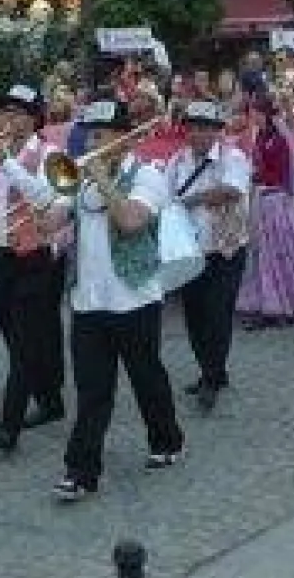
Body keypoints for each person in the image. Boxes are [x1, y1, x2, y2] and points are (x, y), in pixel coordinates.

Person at [18, 98, 183, 501]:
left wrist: (103, 180)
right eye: (90, 135)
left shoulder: (148, 176)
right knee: (92, 391)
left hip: (135, 298)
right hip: (88, 302)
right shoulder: (81, 180)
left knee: (147, 376)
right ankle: (80, 472)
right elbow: (49, 223)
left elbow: (130, 222)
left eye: (102, 135)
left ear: (123, 139)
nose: (94, 142)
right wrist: (39, 202)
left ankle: (166, 439)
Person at [0, 85, 68, 448]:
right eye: (5, 111)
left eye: (17, 112)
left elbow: (45, 196)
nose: (8, 119)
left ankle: (8, 424)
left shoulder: (52, 154)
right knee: (16, 333)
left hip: (37, 255)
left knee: (27, 336)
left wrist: (6, 161)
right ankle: (50, 398)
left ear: (34, 118)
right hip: (0, 254)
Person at [164, 101, 252, 412]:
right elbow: (165, 196)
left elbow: (232, 190)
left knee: (217, 314)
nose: (198, 133)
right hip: (191, 250)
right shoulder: (177, 161)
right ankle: (211, 369)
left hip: (225, 250)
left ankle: (211, 377)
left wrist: (190, 199)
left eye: (205, 127)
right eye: (193, 127)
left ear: (217, 131)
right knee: (195, 315)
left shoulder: (234, 157)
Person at [236, 93, 294, 328]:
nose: (253, 117)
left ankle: (282, 304)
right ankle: (273, 302)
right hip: (264, 196)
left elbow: (279, 174)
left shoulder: (277, 139)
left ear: (266, 114)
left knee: (278, 253)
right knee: (267, 255)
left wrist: (254, 174)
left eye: (256, 113)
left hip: (276, 199)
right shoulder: (262, 137)